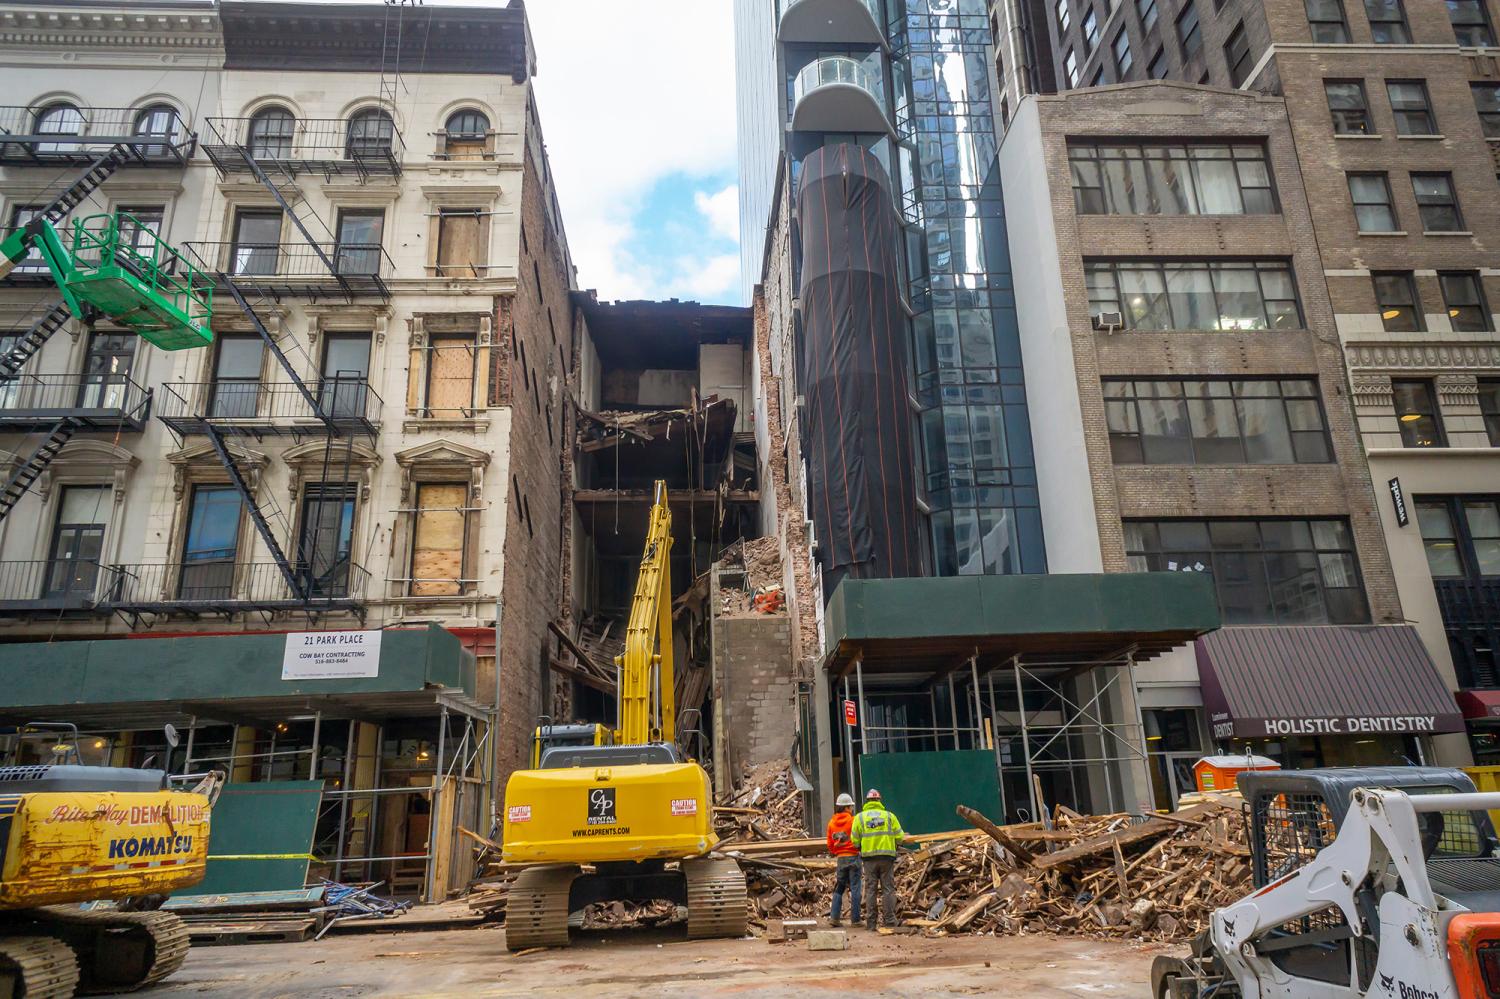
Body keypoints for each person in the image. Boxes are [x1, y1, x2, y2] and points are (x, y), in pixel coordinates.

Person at [850, 788, 906, 933]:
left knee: (870, 890)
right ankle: (889, 921)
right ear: (879, 801)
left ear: (867, 801)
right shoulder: (889, 816)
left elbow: (854, 840)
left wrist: (861, 845)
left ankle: (871, 923)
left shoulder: (860, 818)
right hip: (887, 857)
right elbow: (900, 837)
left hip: (869, 859)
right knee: (888, 889)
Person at [825, 792, 860, 926]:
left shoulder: (831, 823)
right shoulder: (853, 820)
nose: (851, 809)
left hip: (841, 859)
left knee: (839, 888)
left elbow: (829, 844)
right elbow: (858, 837)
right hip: (853, 857)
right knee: (855, 888)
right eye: (850, 807)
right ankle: (856, 920)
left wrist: (837, 851)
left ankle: (834, 918)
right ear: (846, 808)